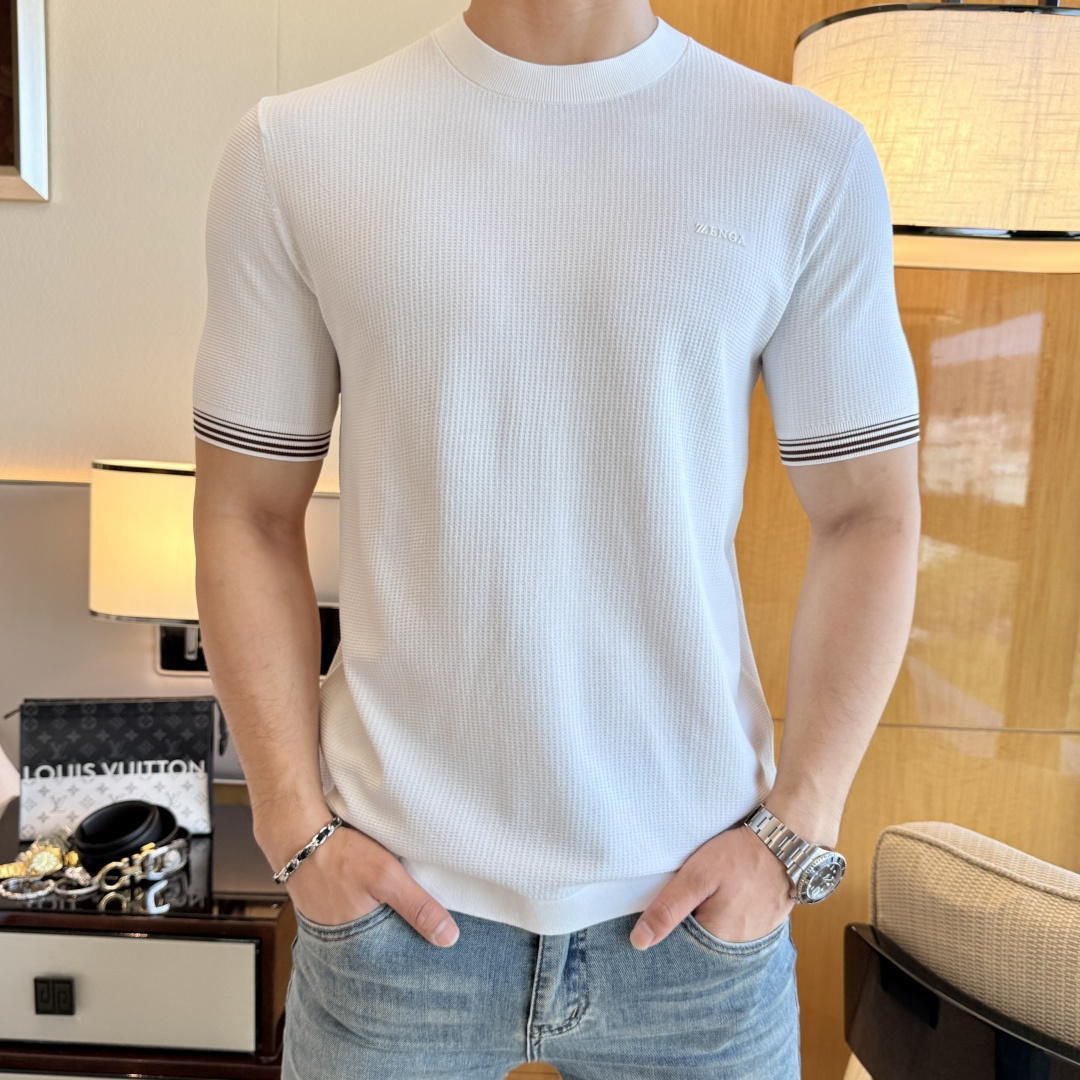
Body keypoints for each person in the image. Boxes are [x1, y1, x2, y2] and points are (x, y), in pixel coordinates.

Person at [190, 0, 921, 1076]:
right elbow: (247, 512)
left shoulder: (805, 154)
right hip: (391, 917)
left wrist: (795, 834)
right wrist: (291, 825)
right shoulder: (295, 152)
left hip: (697, 935)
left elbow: (871, 512)